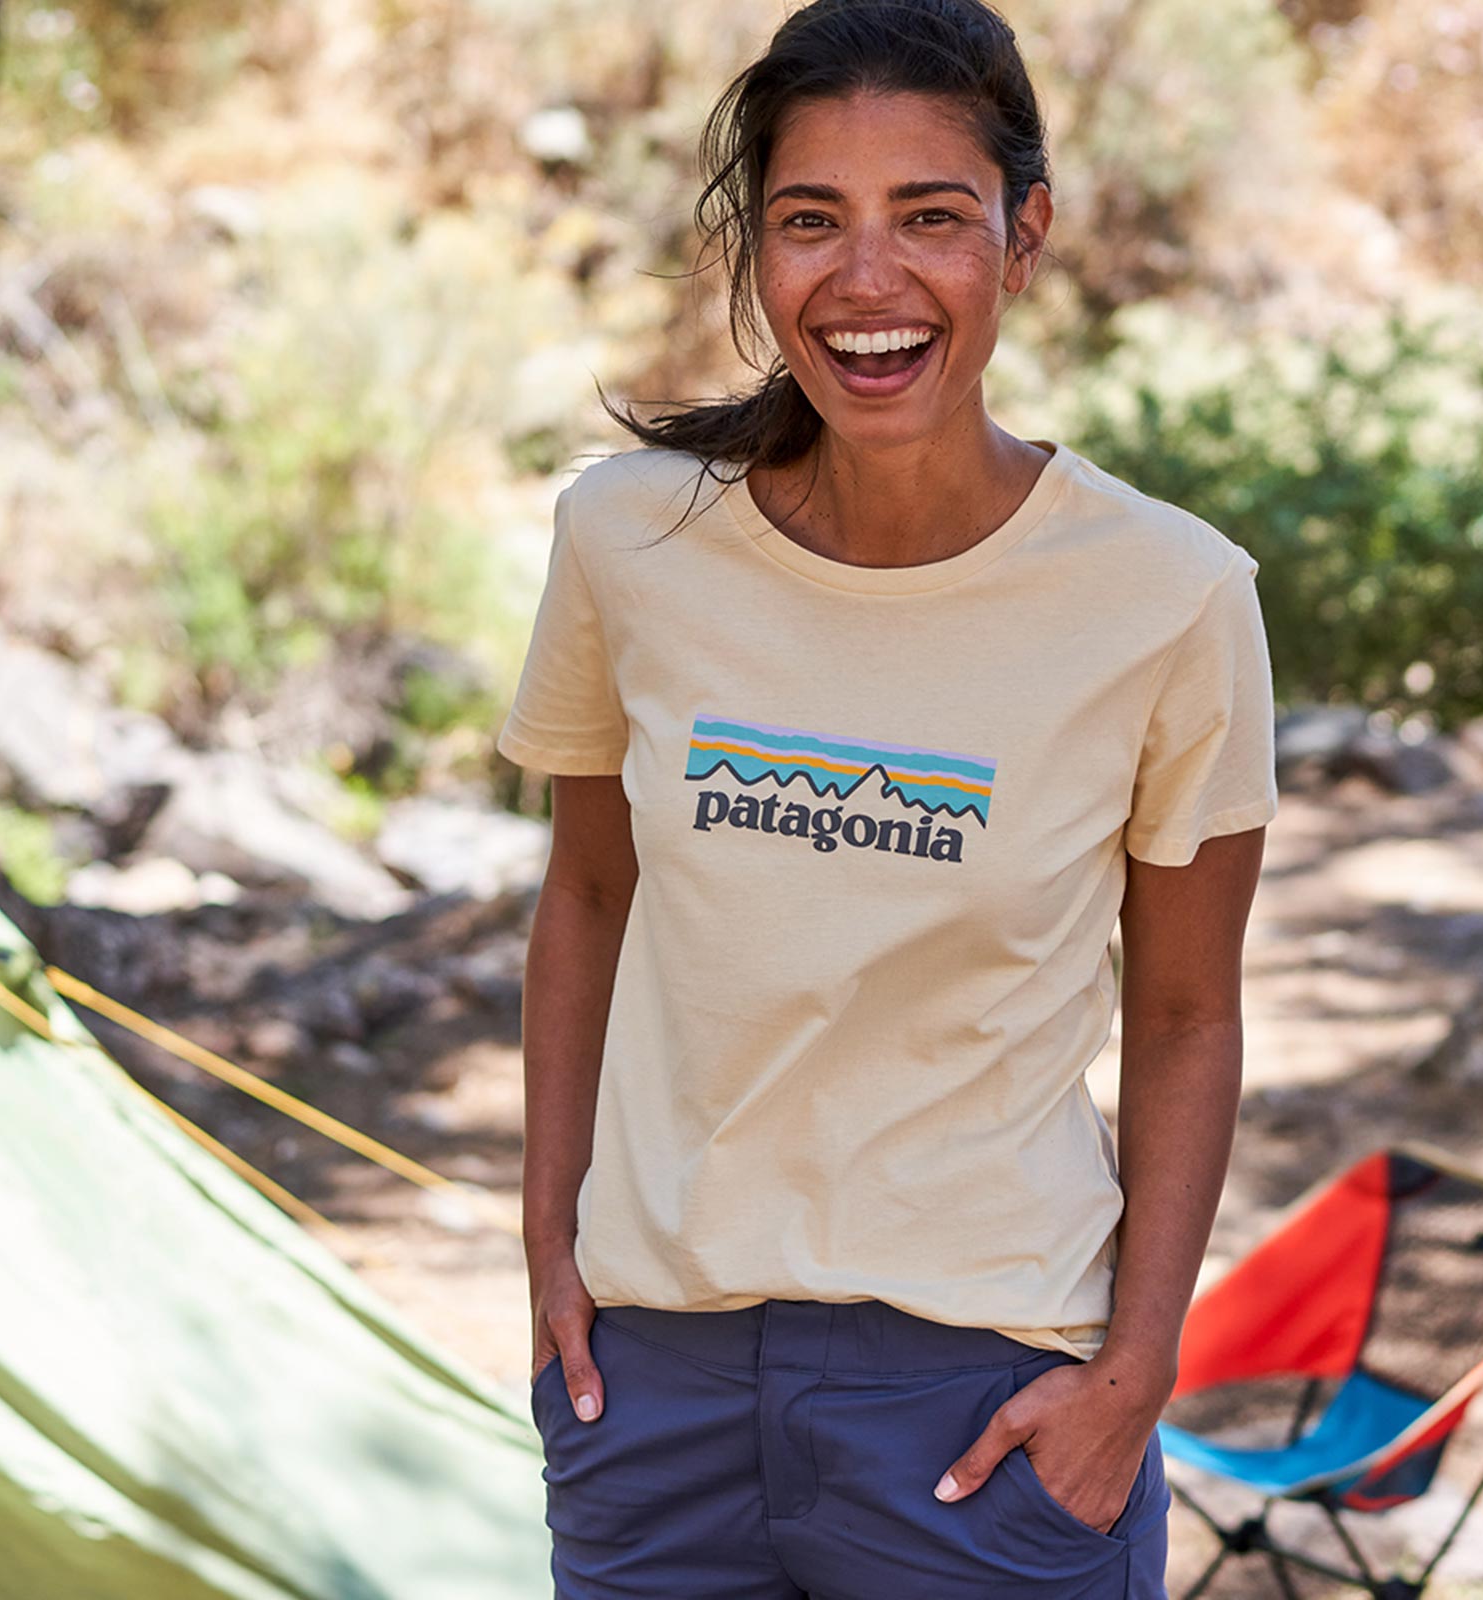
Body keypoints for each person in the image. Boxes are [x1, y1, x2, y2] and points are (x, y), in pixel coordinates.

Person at [502, 1, 1275, 1594]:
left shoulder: (1170, 596)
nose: (866, 281)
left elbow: (1189, 1014)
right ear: (754, 245)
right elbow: (586, 895)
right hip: (657, 1388)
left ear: (1024, 236)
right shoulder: (628, 542)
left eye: (930, 218)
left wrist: (1136, 1372)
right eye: (811, 221)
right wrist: (549, 1250)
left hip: (988, 1398)